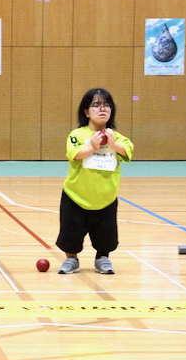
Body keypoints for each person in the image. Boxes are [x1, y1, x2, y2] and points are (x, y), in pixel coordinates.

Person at [56, 88, 134, 275]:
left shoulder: (118, 137)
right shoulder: (77, 135)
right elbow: (74, 154)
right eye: (96, 105)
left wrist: (113, 144)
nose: (103, 109)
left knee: (105, 234)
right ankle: (71, 259)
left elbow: (127, 151)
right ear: (86, 111)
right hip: (76, 196)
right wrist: (92, 145)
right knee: (71, 232)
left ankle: (103, 258)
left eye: (107, 105)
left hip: (106, 198)